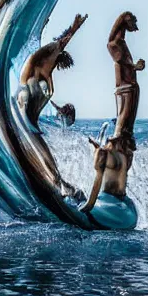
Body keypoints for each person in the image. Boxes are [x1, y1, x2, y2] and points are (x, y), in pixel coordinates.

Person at [18, 13, 88, 201]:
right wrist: (74, 28)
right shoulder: (38, 64)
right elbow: (59, 43)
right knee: (43, 156)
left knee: (44, 157)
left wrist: (60, 109)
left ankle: (56, 186)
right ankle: (61, 187)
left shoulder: (47, 72)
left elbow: (45, 98)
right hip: (24, 122)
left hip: (32, 124)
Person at [80, 11, 143, 216]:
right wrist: (134, 66)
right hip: (125, 89)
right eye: (133, 22)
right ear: (126, 21)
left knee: (125, 127)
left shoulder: (112, 154)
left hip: (128, 88)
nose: (136, 27)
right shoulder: (115, 44)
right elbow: (120, 60)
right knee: (124, 125)